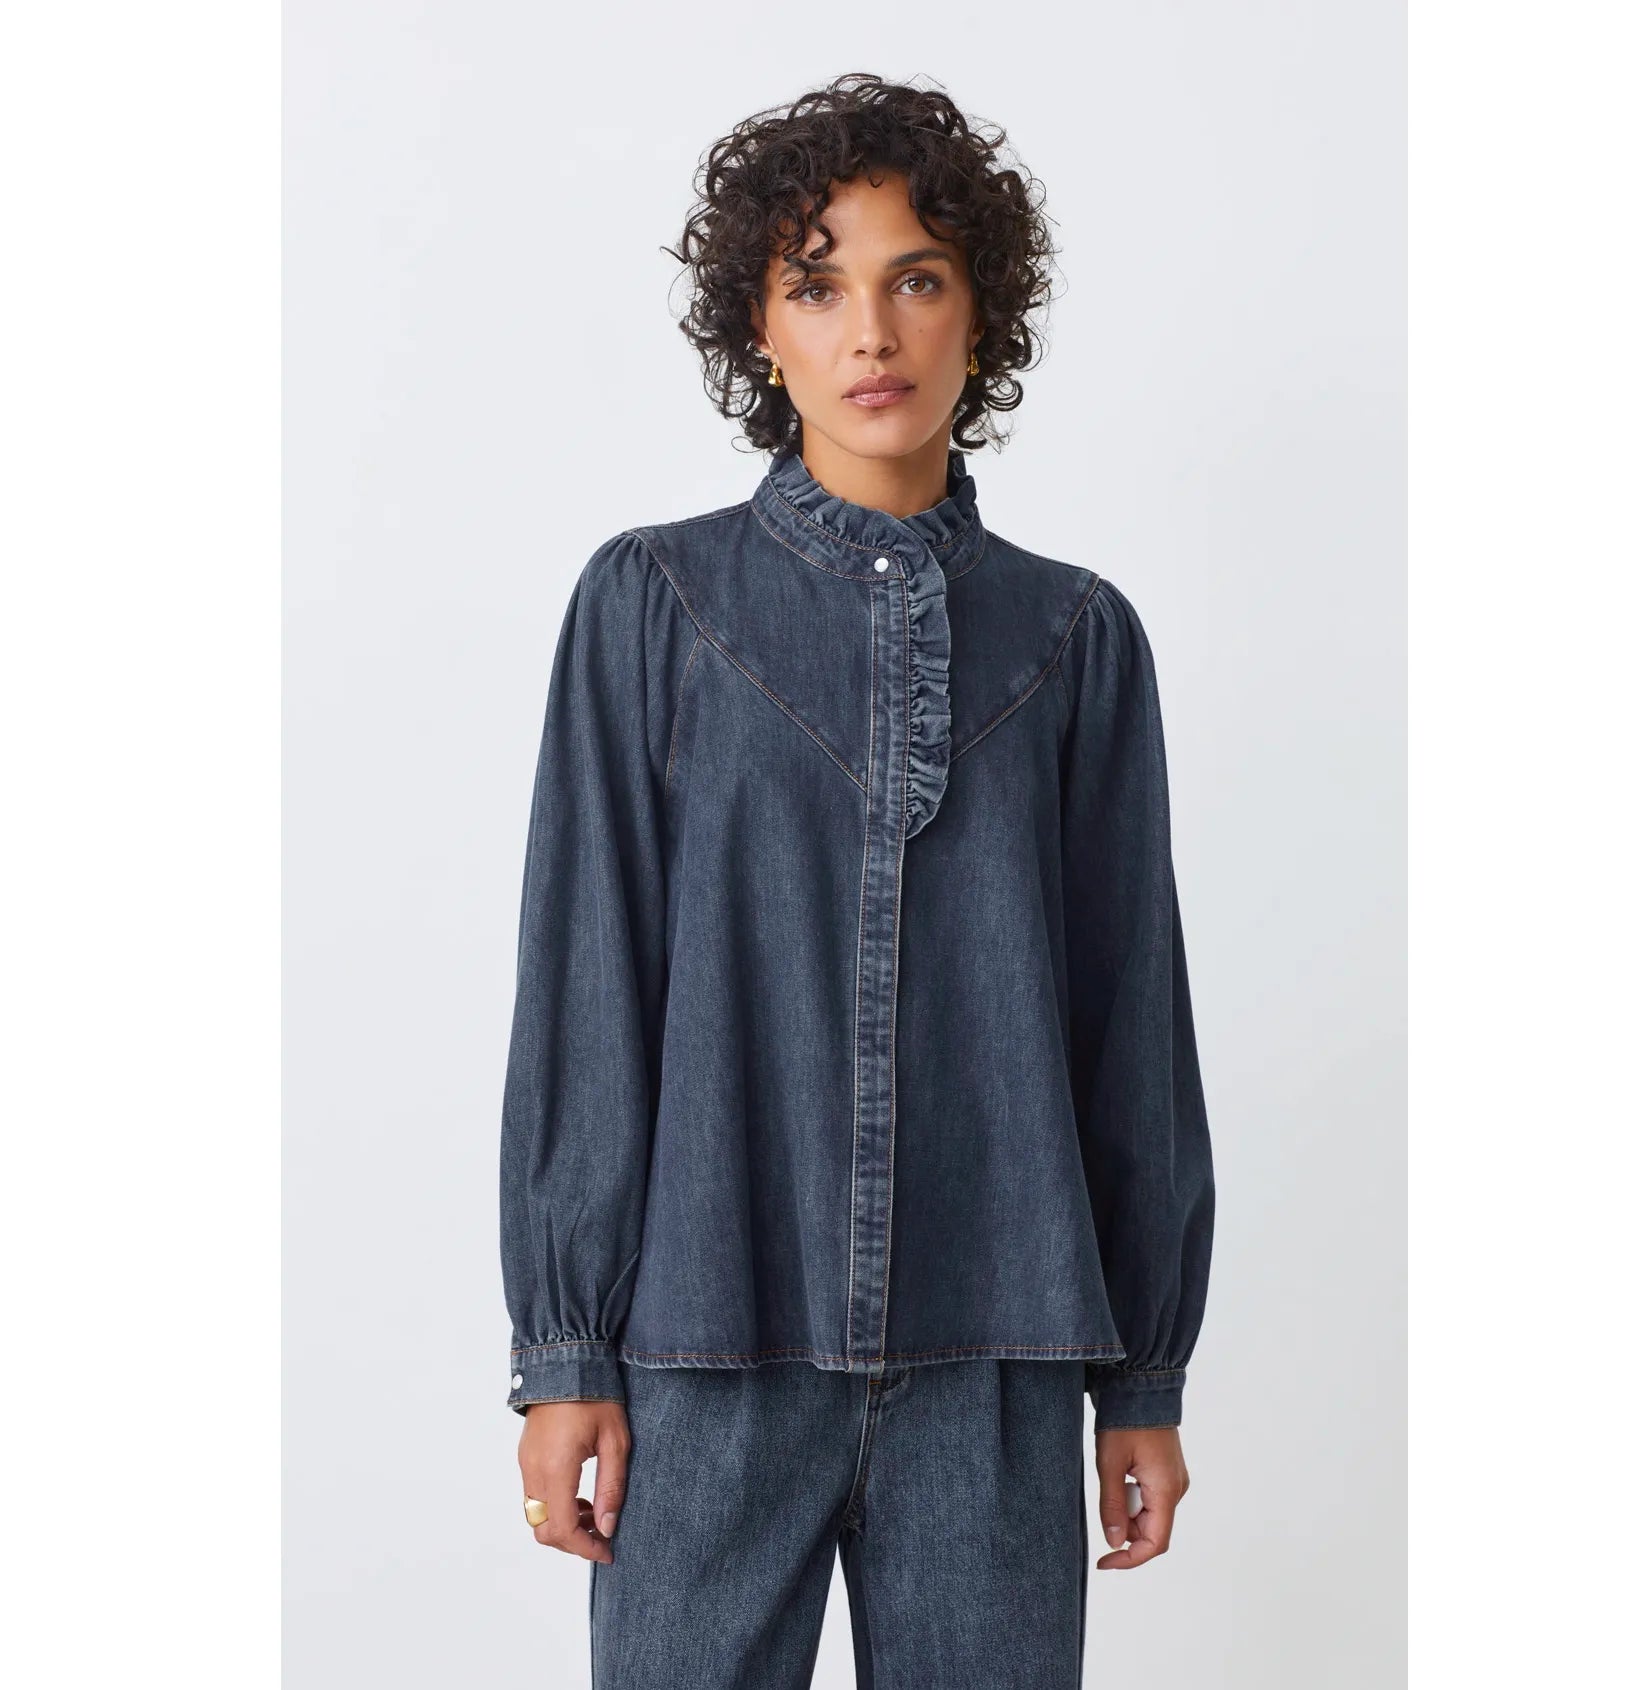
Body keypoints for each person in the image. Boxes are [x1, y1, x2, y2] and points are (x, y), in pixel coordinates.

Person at [498, 71, 1216, 1687]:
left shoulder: (1076, 639)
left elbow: (1130, 1026)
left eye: (917, 280)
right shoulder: (651, 605)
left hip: (996, 1359)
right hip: (705, 1347)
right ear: (761, 331)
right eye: (817, 287)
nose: (870, 332)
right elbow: (588, 987)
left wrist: (1144, 1377)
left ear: (981, 314)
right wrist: (565, 1350)